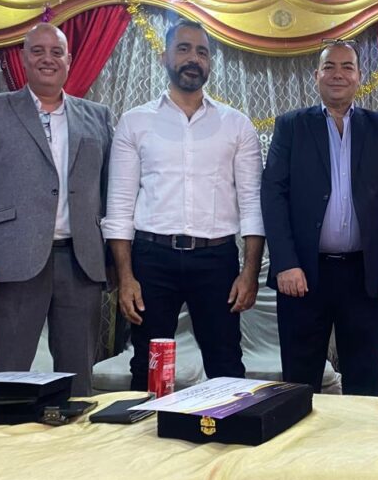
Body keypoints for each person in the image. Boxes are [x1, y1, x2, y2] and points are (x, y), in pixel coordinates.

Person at [0, 23, 113, 396]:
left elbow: (110, 191)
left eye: (56, 52)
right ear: (24, 58)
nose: (47, 59)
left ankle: (71, 431)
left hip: (81, 263)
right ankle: (5, 431)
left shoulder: (97, 116)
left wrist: (115, 261)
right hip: (14, 260)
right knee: (7, 377)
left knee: (78, 381)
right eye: (37, 51)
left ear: (69, 60)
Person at [104, 20, 263, 390]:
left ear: (210, 63)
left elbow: (252, 205)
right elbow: (120, 207)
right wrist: (125, 278)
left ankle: (225, 429)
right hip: (151, 260)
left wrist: (250, 272)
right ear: (164, 57)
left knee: (226, 364)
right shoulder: (135, 122)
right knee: (147, 366)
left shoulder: (236, 125)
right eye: (184, 49)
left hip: (216, 260)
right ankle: (147, 429)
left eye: (202, 52)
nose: (194, 58)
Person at [261, 40, 378, 396]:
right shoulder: (291, 127)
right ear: (316, 75)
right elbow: (273, 197)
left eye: (347, 66)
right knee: (299, 384)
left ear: (359, 76)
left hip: (366, 276)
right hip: (302, 275)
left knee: (366, 386)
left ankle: (359, 437)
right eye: (329, 66)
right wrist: (285, 262)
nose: (338, 74)